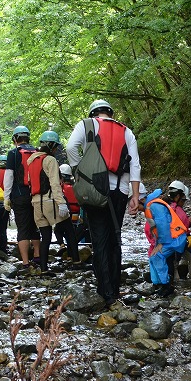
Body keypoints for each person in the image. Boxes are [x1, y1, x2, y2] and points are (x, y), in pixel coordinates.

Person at [66, 100, 141, 306]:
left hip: (95, 189)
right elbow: (135, 164)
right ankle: (115, 289)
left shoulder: (86, 124)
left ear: (93, 113)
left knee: (99, 239)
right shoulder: (126, 131)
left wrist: (78, 170)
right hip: (120, 190)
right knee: (115, 237)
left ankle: (105, 291)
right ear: (110, 113)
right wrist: (135, 195)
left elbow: (71, 147)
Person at [26, 131, 75, 273]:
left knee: (46, 235)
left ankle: (44, 268)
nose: (56, 150)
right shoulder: (50, 160)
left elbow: (30, 182)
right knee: (69, 229)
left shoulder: (31, 160)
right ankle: (76, 260)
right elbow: (54, 183)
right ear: (51, 145)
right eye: (55, 147)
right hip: (49, 200)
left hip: (36, 202)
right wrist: (61, 203)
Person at [3, 126, 41, 269]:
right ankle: (37, 256)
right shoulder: (37, 152)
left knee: (23, 228)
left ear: (15, 139)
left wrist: (6, 197)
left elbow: (9, 176)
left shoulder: (13, 153)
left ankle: (25, 262)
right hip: (36, 194)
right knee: (35, 226)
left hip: (19, 195)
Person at [144, 181, 190, 297]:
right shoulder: (155, 205)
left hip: (173, 240)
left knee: (158, 256)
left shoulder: (154, 206)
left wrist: (160, 244)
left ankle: (166, 285)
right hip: (174, 240)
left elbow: (163, 225)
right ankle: (162, 284)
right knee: (158, 258)